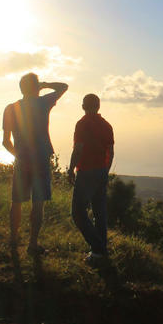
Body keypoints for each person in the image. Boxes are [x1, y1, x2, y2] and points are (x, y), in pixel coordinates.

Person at [2, 73, 67, 255]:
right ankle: (32, 244)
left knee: (16, 201)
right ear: (36, 88)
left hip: (22, 160)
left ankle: (13, 240)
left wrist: (19, 156)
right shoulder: (43, 103)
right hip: (41, 159)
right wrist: (44, 85)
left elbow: (6, 141)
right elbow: (63, 86)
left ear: (21, 88)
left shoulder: (11, 108)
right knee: (38, 203)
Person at [67, 93, 114, 264]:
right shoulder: (107, 125)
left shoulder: (82, 124)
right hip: (101, 171)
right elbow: (111, 152)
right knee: (99, 213)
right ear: (98, 106)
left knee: (78, 213)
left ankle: (98, 248)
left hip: (86, 172)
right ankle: (100, 254)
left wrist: (71, 169)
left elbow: (78, 149)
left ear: (83, 106)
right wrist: (105, 171)